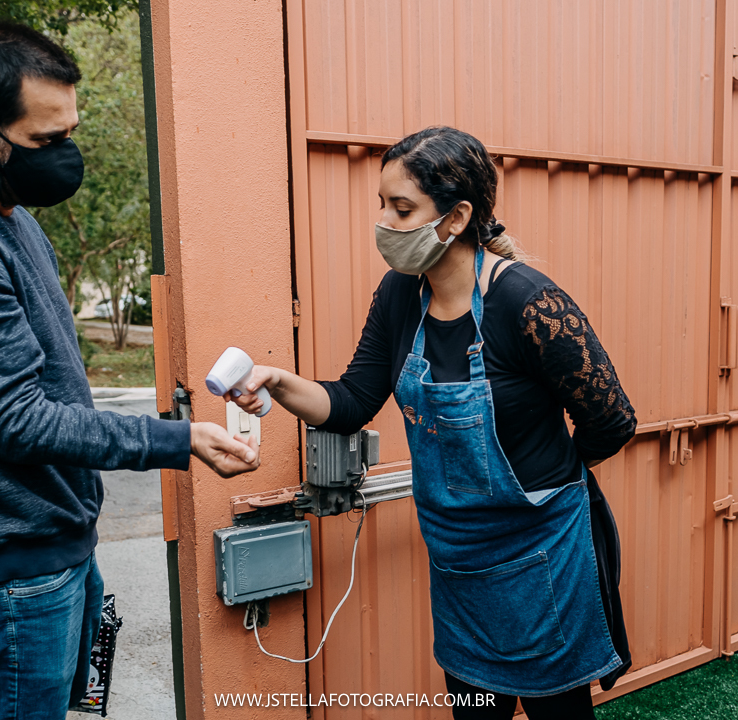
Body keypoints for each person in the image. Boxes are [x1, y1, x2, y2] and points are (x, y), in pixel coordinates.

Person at [0, 21, 259, 719]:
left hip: (61, 549)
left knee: (82, 706)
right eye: (46, 141)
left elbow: (46, 376)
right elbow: (14, 419)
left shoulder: (8, 213)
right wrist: (177, 438)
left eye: (69, 131)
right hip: (12, 576)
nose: (65, 155)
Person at [228, 126, 635, 718]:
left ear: (455, 216)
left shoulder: (528, 302)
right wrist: (279, 381)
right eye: (383, 206)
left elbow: (612, 420)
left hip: (542, 553)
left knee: (558, 712)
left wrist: (553, 479)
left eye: (402, 208)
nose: (385, 224)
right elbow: (350, 402)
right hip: (457, 560)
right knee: (474, 708)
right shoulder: (398, 297)